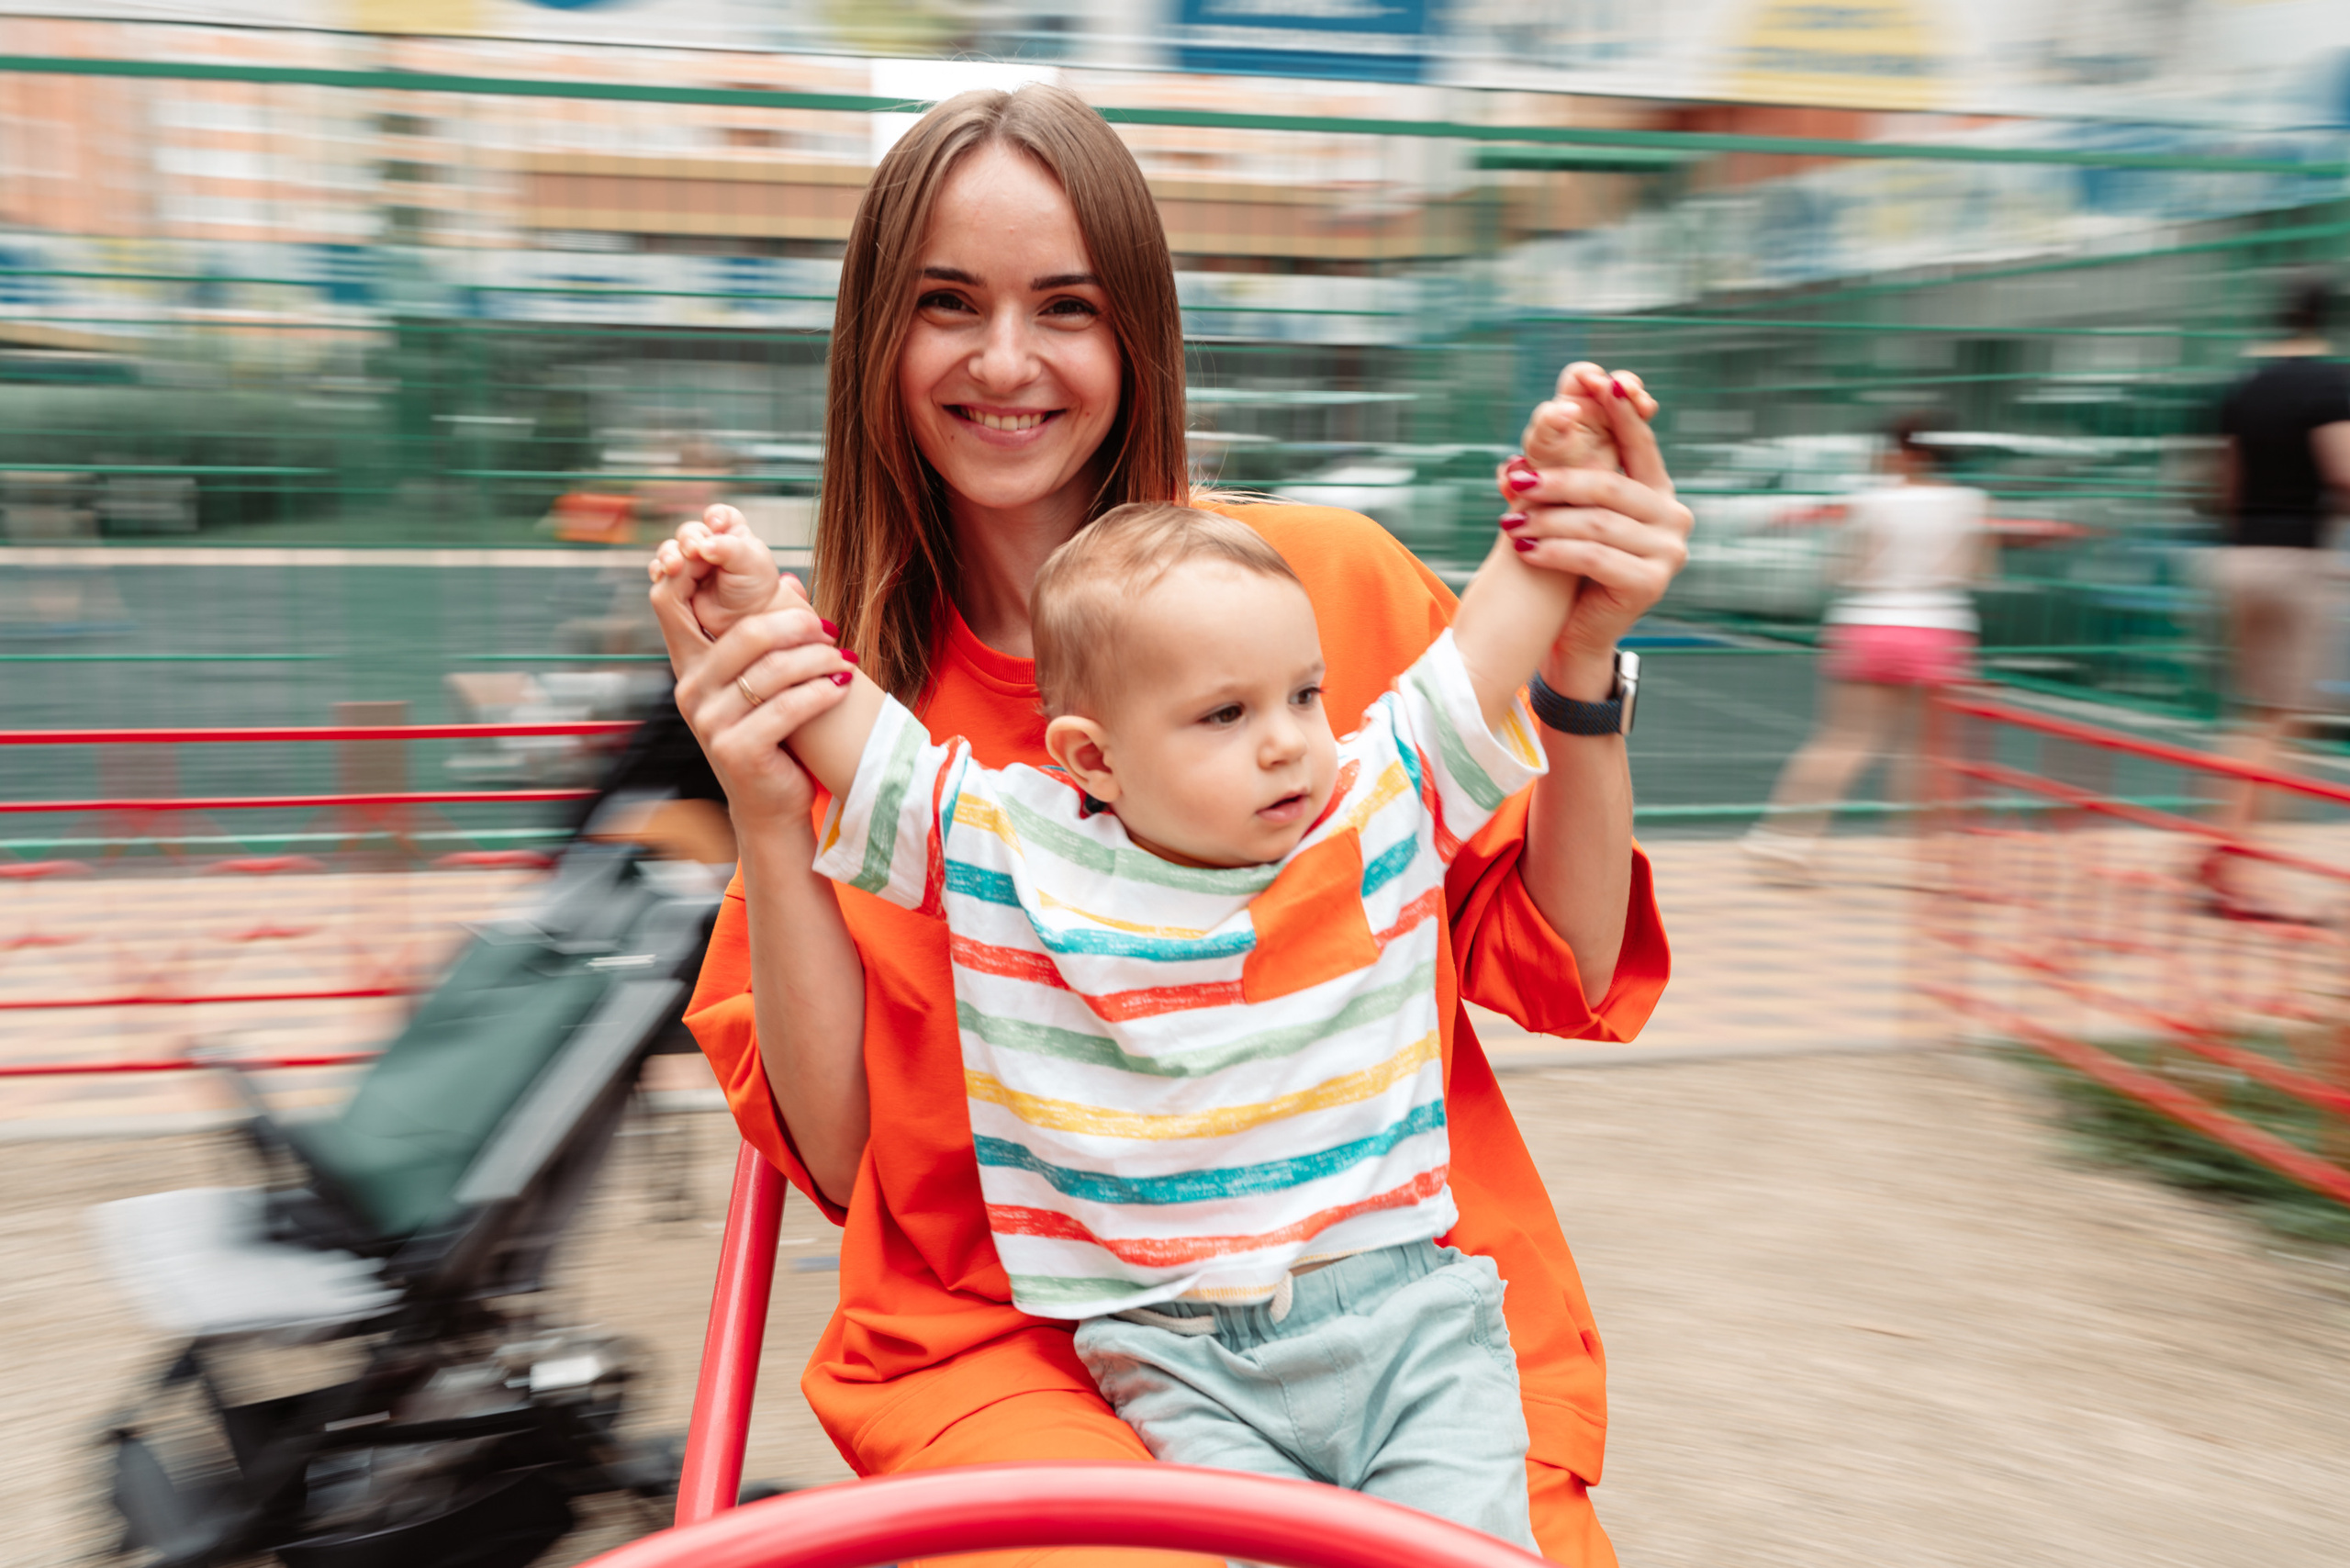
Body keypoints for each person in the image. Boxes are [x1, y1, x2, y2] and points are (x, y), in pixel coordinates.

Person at [645, 83, 1691, 1568]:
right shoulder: (855, 714)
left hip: (1387, 1301)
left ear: (1134, 331)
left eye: (1064, 307)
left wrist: (1579, 663)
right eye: (949, 304)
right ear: (880, 338)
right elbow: (844, 1154)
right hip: (1012, 1339)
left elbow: (1564, 963)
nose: (1006, 361)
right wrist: (764, 801)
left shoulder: (1306, 594)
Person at [1740, 413, 1989, 881]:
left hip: (1869, 623)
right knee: (1925, 752)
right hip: (1939, 627)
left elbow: (1842, 568)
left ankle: (1784, 841)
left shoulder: (1871, 500)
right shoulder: (1969, 503)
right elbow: (1976, 569)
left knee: (1844, 739)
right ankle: (1925, 861)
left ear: (1905, 452)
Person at [2201, 274, 2350, 914]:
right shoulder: (2333, 385)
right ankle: (2233, 860)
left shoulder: (2243, 390)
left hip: (2239, 558)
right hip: (2295, 562)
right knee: (2284, 718)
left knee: (2255, 711)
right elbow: (2343, 473)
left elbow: (2224, 488)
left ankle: (2223, 847)